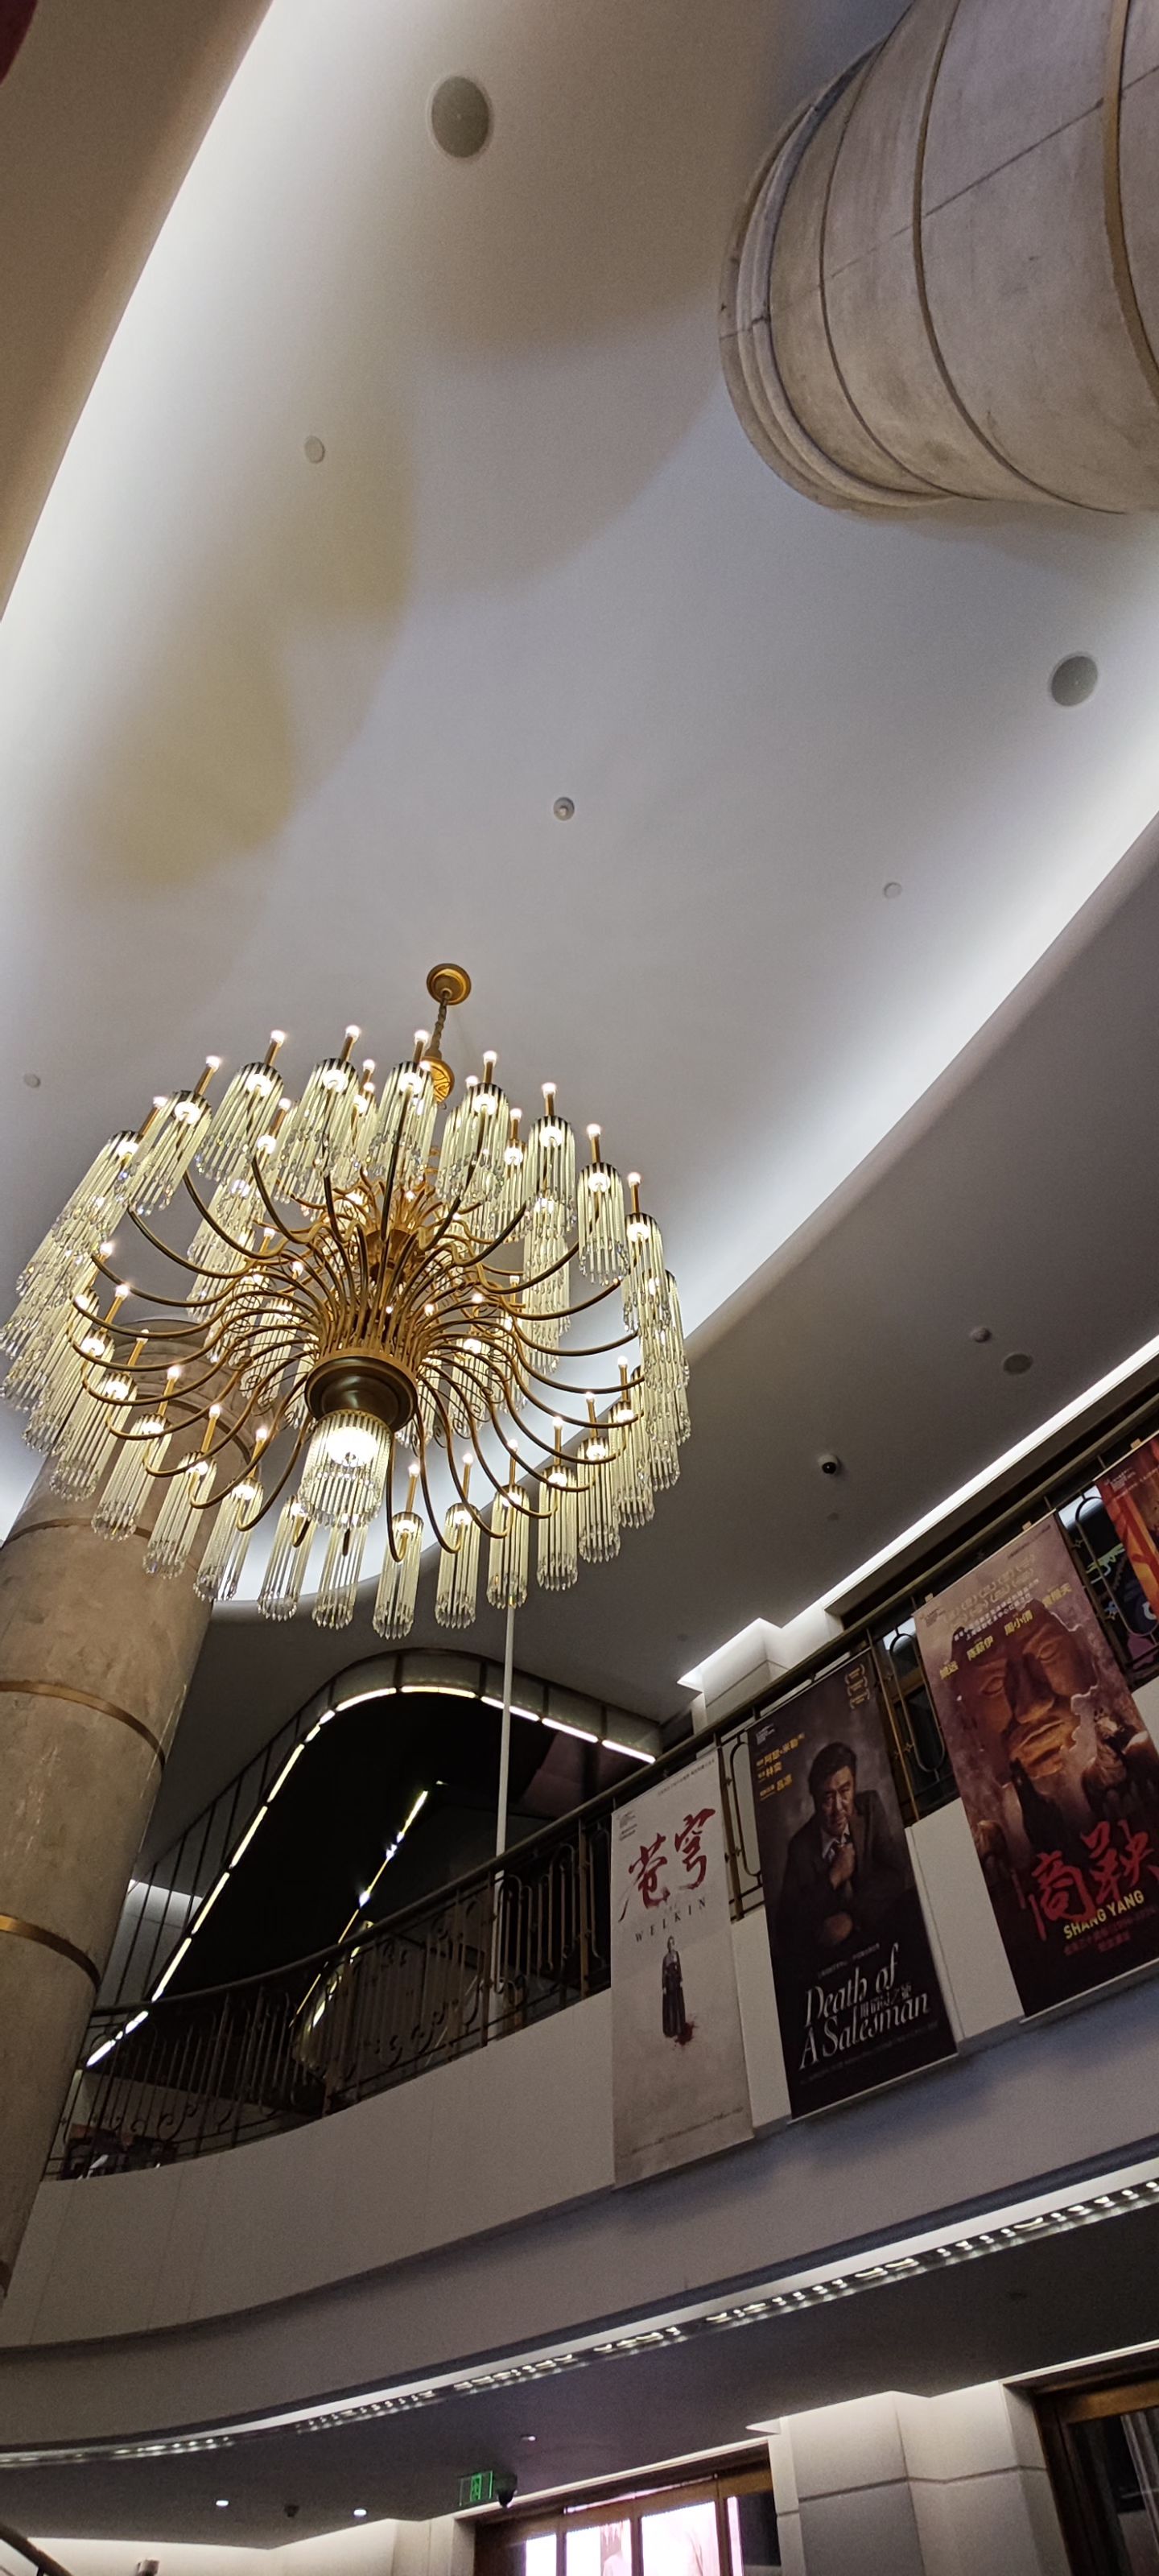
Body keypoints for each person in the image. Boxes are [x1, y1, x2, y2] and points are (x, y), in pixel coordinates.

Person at [775, 1739, 909, 1968]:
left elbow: (895, 1873)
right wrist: (834, 1877)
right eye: (828, 1798)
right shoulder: (800, 1847)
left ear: (854, 1786)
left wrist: (851, 1917)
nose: (838, 1808)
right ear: (814, 1799)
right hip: (831, 1964)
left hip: (883, 1942)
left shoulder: (870, 1807)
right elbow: (787, 1927)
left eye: (845, 1791)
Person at [661, 1934, 691, 2043]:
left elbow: (679, 1967)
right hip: (669, 1984)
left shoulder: (676, 1954)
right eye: (669, 1944)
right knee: (671, 2006)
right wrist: (664, 1986)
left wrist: (681, 1979)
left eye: (672, 1943)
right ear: (667, 1946)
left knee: (678, 2004)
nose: (671, 1946)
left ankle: (680, 2027)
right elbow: (664, 1973)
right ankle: (672, 2029)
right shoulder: (665, 1958)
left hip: (676, 1983)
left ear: (674, 1944)